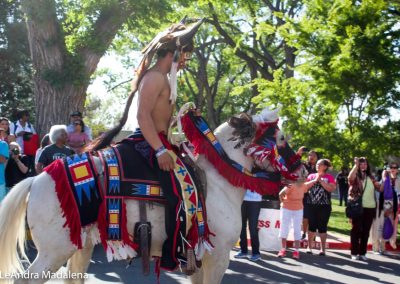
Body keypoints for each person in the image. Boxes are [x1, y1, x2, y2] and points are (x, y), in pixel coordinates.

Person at [348, 157, 382, 261]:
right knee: (356, 230)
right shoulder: (356, 176)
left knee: (365, 231)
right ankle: (354, 253)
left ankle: (362, 252)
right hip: (358, 207)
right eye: (361, 164)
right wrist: (356, 165)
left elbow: (380, 188)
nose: (363, 166)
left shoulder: (371, 177)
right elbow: (350, 177)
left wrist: (385, 178)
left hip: (370, 207)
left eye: (365, 164)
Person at [304, 159, 336, 255]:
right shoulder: (311, 176)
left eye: (320, 164)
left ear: (325, 167)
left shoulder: (329, 177)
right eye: (317, 164)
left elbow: (331, 188)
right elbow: (305, 188)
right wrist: (314, 180)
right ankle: (309, 247)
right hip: (311, 205)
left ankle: (323, 249)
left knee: (322, 227)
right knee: (311, 226)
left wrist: (321, 181)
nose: (317, 165)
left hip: (324, 206)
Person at [372, 162, 399, 254]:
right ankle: (377, 247)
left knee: (388, 227)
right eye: (391, 167)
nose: (393, 168)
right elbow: (381, 189)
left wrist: (392, 209)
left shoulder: (399, 181)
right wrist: (384, 179)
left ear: (397, 170)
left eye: (395, 167)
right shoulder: (384, 178)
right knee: (379, 226)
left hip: (393, 207)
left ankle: (384, 247)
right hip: (381, 206)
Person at [277, 179, 308, 259]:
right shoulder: (291, 185)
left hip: (298, 209)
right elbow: (280, 194)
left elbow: (310, 184)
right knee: (284, 228)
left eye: (305, 177)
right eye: (303, 177)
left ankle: (296, 251)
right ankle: (283, 249)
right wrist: (281, 202)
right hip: (286, 209)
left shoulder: (304, 186)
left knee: (297, 229)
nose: (305, 179)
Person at [234, 190, 262, 262]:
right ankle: (243, 251)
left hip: (255, 201)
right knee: (242, 227)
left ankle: (256, 253)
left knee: (252, 228)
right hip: (242, 200)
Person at [301, 150, 319, 240]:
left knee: (314, 216)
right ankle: (304, 233)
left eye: (314, 155)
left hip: (316, 195)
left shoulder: (319, 168)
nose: (311, 157)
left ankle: (312, 234)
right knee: (305, 216)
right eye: (309, 155)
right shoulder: (304, 166)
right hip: (304, 193)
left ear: (317, 158)